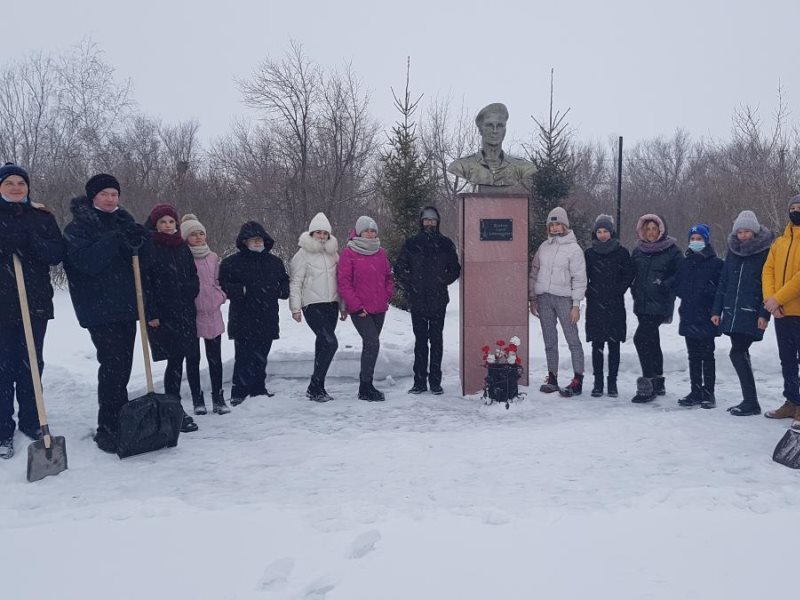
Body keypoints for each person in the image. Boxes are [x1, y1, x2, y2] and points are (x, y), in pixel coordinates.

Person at [63, 173, 148, 453]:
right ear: (93, 197)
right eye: (104, 194)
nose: (111, 199)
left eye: (114, 194)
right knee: (112, 367)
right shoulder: (78, 227)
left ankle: (120, 418)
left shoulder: (124, 221)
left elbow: (140, 260)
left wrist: (141, 241)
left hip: (125, 305)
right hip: (98, 307)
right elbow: (87, 263)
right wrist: (114, 239)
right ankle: (107, 427)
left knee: (122, 366)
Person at [0, 163, 64, 460]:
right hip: (2, 305)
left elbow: (55, 254)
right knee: (3, 367)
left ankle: (31, 420)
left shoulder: (41, 216)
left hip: (34, 303)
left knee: (31, 365)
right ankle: (2, 428)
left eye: (20, 183)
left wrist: (28, 242)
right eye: (9, 183)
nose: (15, 187)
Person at [141, 204, 200, 432]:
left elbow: (192, 274)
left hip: (184, 311)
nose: (167, 226)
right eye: (163, 222)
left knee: (180, 358)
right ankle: (173, 408)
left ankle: (174, 407)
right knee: (173, 360)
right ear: (156, 224)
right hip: (163, 315)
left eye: (171, 222)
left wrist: (190, 290)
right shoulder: (150, 246)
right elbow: (146, 283)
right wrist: (152, 312)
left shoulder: (181, 247)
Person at [219, 221, 289, 406]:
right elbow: (222, 285)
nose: (257, 243)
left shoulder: (274, 262)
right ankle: (239, 392)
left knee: (261, 355)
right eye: (253, 240)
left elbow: (284, 282)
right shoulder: (231, 263)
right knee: (243, 356)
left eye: (260, 239)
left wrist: (281, 290)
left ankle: (258, 389)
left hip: (267, 316)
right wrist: (239, 290)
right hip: (243, 317)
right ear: (244, 242)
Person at [711, 210, 773, 416]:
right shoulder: (733, 252)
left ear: (754, 232)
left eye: (747, 231)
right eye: (740, 231)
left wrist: (764, 313)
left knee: (737, 352)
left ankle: (751, 402)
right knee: (739, 352)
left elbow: (768, 286)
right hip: (733, 311)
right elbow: (724, 282)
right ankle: (749, 400)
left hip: (751, 312)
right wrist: (717, 309)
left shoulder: (764, 252)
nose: (743, 235)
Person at [395, 206, 461, 395]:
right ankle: (419, 382)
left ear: (437, 222)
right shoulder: (412, 243)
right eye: (426, 220)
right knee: (420, 342)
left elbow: (455, 269)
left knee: (437, 341)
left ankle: (435, 382)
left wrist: (442, 281)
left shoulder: (446, 244)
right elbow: (399, 268)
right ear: (421, 222)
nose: (429, 223)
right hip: (417, 300)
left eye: (432, 220)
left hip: (439, 299)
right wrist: (413, 283)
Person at [529, 207, 587, 397]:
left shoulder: (574, 249)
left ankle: (577, 378)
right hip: (544, 298)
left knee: (573, 340)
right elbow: (534, 272)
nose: (554, 228)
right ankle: (552, 377)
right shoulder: (543, 247)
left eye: (557, 224)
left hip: (564, 299)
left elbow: (579, 278)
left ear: (565, 225)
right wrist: (533, 297)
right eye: (551, 225)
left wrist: (576, 305)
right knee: (549, 340)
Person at [289, 212, 346, 402]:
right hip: (312, 306)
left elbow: (341, 281)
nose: (321, 236)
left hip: (331, 305)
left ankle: (318, 388)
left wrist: (343, 305)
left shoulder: (333, 254)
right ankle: (314, 386)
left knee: (323, 344)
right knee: (331, 342)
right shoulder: (302, 254)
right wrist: (295, 308)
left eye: (325, 233)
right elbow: (295, 283)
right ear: (311, 233)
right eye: (318, 232)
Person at [337, 216, 393, 401]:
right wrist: (356, 306)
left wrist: (386, 296)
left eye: (373, 230)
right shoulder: (349, 253)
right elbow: (344, 282)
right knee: (372, 343)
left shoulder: (381, 252)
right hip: (360, 309)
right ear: (359, 232)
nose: (370, 233)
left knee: (372, 346)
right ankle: (365, 387)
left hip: (379, 308)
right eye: (366, 230)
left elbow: (388, 277)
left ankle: (366, 385)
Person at [629, 214, 682, 403]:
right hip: (642, 304)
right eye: (647, 229)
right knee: (651, 340)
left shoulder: (672, 250)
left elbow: (679, 274)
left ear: (661, 230)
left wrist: (664, 284)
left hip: (660, 303)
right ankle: (658, 381)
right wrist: (633, 288)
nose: (651, 232)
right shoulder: (638, 250)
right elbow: (631, 273)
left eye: (654, 228)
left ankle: (648, 383)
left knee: (640, 339)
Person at [180, 214, 229, 415]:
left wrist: (221, 296)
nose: (198, 237)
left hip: (213, 313)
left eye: (201, 233)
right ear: (185, 237)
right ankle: (197, 399)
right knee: (193, 359)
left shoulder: (213, 257)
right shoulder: (182, 257)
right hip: (191, 315)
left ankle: (218, 398)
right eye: (193, 234)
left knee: (215, 358)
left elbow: (219, 281)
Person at [583, 214, 634, 398]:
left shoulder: (621, 252)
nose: (602, 234)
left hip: (615, 304)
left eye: (605, 231)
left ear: (611, 232)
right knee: (597, 345)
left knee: (614, 345)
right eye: (599, 231)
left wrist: (618, 290)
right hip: (595, 304)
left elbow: (629, 274)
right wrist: (590, 291)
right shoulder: (589, 253)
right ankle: (598, 383)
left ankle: (612, 383)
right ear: (594, 233)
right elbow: (582, 276)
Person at [674, 224, 723, 408]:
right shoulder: (685, 263)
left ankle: (709, 393)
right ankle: (695, 390)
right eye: (692, 239)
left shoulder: (716, 263)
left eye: (699, 238)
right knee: (693, 356)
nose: (695, 242)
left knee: (707, 355)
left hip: (708, 315)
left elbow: (720, 289)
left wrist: (708, 295)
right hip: (688, 314)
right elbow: (678, 285)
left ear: (706, 240)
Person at [762, 195, 800, 427]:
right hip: (781, 313)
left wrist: (778, 298)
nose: (796, 211)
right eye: (793, 208)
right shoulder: (779, 242)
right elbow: (768, 270)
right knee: (787, 360)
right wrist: (771, 301)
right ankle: (792, 401)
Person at [447, 102, 535, 192]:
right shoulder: (461, 166)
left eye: (500, 126)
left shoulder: (522, 167)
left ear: (505, 131)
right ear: (480, 129)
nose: (495, 130)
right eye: (489, 125)